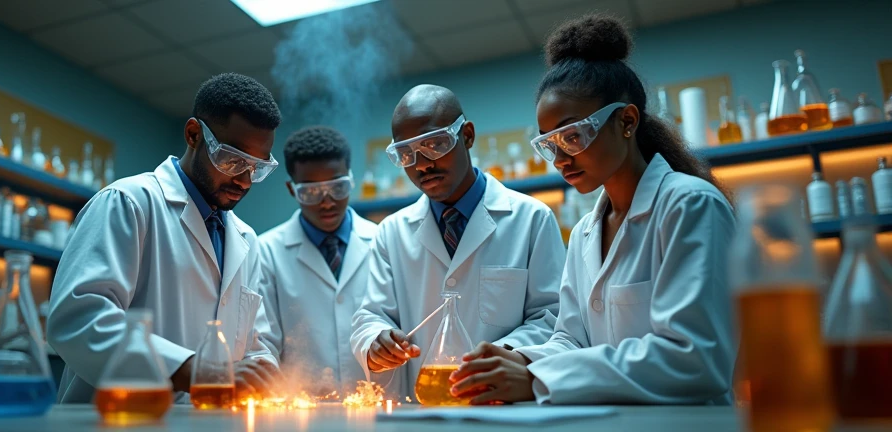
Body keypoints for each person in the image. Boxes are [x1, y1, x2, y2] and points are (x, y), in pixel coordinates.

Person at [448, 15, 736, 405]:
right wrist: (516, 361)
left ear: (627, 121)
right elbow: (571, 338)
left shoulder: (689, 205)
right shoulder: (586, 230)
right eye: (550, 144)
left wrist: (535, 380)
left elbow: (693, 357)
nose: (560, 158)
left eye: (572, 135)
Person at [47, 73, 285, 403]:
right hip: (118, 420)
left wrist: (262, 368)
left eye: (257, 168)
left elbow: (253, 342)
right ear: (193, 135)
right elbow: (80, 319)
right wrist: (194, 369)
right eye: (233, 160)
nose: (245, 181)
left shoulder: (246, 239)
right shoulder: (128, 203)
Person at [349, 84, 567, 400]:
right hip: (426, 405)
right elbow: (371, 315)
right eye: (407, 154)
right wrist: (376, 341)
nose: (422, 164)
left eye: (434, 144)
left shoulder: (532, 218)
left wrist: (502, 354)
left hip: (500, 403)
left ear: (466, 135)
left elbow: (551, 316)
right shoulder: (392, 232)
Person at [258, 126, 378, 395]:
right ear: (292, 189)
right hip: (301, 408)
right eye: (311, 192)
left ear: (351, 179)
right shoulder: (266, 251)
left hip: (379, 403)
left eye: (338, 187)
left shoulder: (382, 241)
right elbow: (264, 343)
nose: (327, 202)